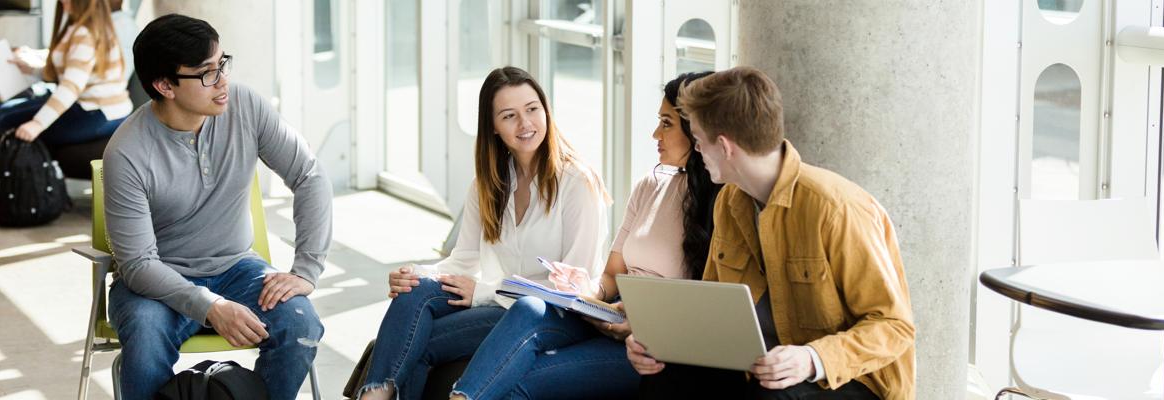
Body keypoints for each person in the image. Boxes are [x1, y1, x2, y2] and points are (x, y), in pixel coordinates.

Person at [625, 66, 916, 400]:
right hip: (762, 367)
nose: (698, 151)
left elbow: (894, 326)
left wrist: (811, 358)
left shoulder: (837, 210)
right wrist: (660, 341)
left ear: (725, 146)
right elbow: (710, 311)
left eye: (700, 141)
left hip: (851, 379)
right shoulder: (730, 203)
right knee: (665, 375)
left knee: (772, 397)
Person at [446, 71, 722, 400]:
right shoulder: (649, 186)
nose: (654, 133)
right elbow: (610, 277)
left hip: (655, 341)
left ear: (696, 129)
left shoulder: (722, 202)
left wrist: (639, 324)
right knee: (521, 326)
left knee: (519, 380)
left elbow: (711, 310)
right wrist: (583, 289)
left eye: (666, 123)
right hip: (614, 320)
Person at [102, 14, 332, 400]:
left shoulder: (245, 106)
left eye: (222, 64)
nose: (222, 80)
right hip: (157, 285)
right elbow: (139, 265)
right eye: (206, 73)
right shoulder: (126, 153)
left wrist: (306, 269)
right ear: (164, 85)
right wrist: (211, 306)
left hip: (236, 268)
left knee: (300, 322)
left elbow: (309, 175)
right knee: (144, 335)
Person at [357, 66, 611, 400]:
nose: (525, 124)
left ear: (546, 110)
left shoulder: (577, 182)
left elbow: (574, 287)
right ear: (492, 126)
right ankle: (373, 396)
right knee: (414, 296)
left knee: (415, 342)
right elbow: (463, 260)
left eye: (532, 109)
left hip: (558, 315)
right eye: (509, 116)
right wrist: (413, 275)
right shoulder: (486, 185)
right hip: (503, 306)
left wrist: (485, 292)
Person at [0, 0, 131, 146]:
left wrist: (37, 124)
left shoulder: (85, 33)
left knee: (5, 121)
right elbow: (69, 74)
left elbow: (70, 87)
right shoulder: (84, 26)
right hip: (99, 109)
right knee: (5, 110)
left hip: (97, 112)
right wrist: (30, 69)